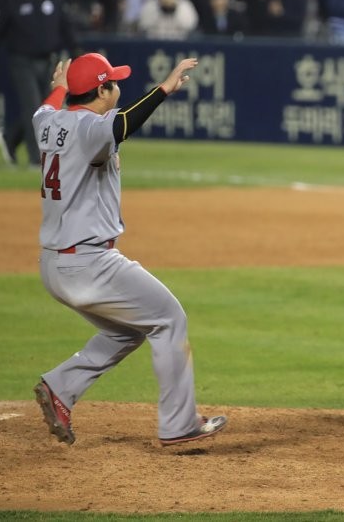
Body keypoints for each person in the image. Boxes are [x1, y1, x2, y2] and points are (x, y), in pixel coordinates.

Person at [32, 52, 228, 447]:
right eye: (114, 83)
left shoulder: (48, 123)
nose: (119, 88)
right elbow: (122, 124)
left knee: (128, 332)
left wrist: (59, 85)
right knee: (170, 317)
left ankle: (60, 388)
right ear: (101, 90)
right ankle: (179, 424)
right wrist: (165, 89)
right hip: (90, 263)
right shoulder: (91, 127)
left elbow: (46, 107)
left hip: (55, 264)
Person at [0, 0, 76, 168]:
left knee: (48, 109)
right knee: (35, 109)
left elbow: (66, 28)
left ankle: (11, 137)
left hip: (48, 61)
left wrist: (77, 50)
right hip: (21, 60)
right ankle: (37, 159)